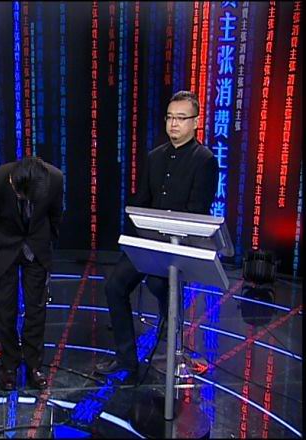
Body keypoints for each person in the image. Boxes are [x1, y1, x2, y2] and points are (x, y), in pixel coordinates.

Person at [95, 91, 219, 379]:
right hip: (148, 242)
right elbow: (142, 200)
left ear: (195, 122)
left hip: (178, 246)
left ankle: (171, 347)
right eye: (170, 117)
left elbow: (197, 211)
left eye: (181, 118)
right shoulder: (155, 157)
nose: (174, 123)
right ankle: (126, 359)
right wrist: (135, 237)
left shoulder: (205, 160)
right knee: (114, 286)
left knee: (159, 284)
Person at [0, 157, 63, 390]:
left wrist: (46, 243)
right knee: (6, 309)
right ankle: (9, 366)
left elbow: (56, 215)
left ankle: (34, 366)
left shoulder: (54, 179)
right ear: (12, 182)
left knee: (36, 309)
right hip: (3, 247)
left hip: (36, 246)